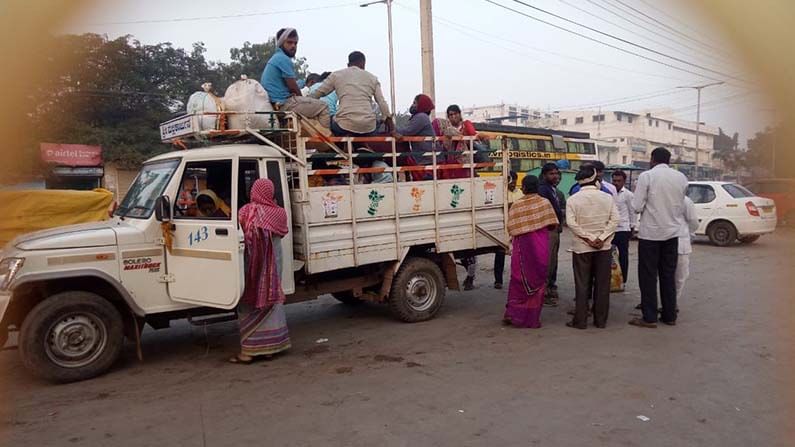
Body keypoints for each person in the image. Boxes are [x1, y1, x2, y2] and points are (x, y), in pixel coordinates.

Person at [230, 179, 291, 363]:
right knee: (271, 300)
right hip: (274, 264)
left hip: (252, 265)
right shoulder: (280, 213)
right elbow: (281, 232)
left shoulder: (246, 211)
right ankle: (270, 349)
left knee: (250, 300)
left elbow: (238, 232)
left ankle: (249, 352)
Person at [629, 147, 688, 328]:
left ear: (652, 159)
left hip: (651, 234)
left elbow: (637, 206)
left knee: (648, 276)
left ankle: (650, 317)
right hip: (672, 233)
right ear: (668, 160)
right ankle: (670, 315)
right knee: (668, 275)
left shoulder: (647, 176)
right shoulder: (681, 177)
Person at [565, 165, 620, 329]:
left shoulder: (573, 199)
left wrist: (589, 238)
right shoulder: (607, 197)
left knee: (582, 285)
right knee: (602, 285)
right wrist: (601, 238)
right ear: (596, 181)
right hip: (603, 247)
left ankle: (580, 321)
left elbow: (571, 224)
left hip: (582, 248)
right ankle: (600, 320)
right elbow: (615, 220)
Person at [504, 175, 559, 328]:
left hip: (522, 249)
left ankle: (514, 316)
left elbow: (512, 228)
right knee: (538, 280)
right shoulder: (545, 203)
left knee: (518, 279)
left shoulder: (517, 205)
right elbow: (553, 225)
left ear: (524, 188)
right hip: (540, 247)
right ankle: (532, 319)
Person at [309, 51, 394, 137]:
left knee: (330, 121)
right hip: (368, 128)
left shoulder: (336, 75)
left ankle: (345, 140)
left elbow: (318, 94)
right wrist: (391, 127)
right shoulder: (373, 78)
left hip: (343, 125)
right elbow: (382, 102)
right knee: (375, 123)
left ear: (348, 64)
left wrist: (302, 102)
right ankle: (360, 144)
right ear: (363, 64)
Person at [260, 28, 330, 128]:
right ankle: (325, 140)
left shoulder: (276, 58)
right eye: (289, 42)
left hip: (277, 103)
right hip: (284, 104)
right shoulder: (283, 59)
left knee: (312, 105)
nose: (293, 46)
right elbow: (293, 87)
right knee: (324, 107)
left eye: (295, 43)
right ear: (281, 43)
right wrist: (301, 99)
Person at [538, 162, 564, 305]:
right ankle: (544, 292)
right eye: (551, 174)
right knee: (548, 262)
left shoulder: (552, 189)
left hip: (555, 229)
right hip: (548, 230)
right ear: (544, 175)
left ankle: (549, 287)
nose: (555, 176)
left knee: (553, 261)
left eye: (556, 173)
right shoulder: (543, 190)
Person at [492, 171, 521, 289]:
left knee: (518, 255)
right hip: (502, 227)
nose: (512, 183)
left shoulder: (520, 193)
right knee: (499, 254)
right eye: (510, 181)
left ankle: (518, 279)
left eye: (514, 181)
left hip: (517, 227)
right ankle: (498, 280)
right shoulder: (499, 194)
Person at [397, 94, 436, 180]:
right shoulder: (420, 117)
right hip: (425, 157)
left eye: (415, 103)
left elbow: (407, 131)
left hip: (426, 158)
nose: (412, 105)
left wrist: (392, 130)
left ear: (421, 105)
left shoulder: (421, 117)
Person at [611, 170, 636, 291]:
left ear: (624, 181)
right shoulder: (608, 193)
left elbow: (632, 212)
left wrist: (632, 227)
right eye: (614, 180)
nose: (616, 183)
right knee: (608, 256)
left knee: (623, 256)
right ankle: (610, 279)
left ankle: (623, 280)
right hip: (610, 229)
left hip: (623, 229)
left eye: (618, 181)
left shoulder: (628, 195)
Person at [676, 197, 700, 302]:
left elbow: (693, 222)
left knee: (680, 275)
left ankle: (672, 302)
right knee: (675, 276)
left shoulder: (685, 201)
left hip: (680, 243)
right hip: (669, 242)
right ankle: (670, 303)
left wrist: (686, 232)